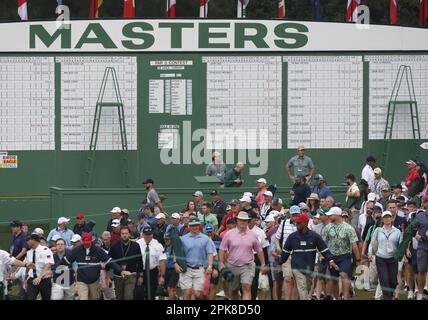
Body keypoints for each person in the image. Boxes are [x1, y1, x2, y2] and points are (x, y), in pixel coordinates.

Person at [279, 214, 337, 300]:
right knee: (302, 287)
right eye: (296, 223)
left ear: (306, 223)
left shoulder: (315, 236)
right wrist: (279, 262)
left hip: (309, 268)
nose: (297, 225)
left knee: (306, 288)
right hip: (297, 268)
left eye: (299, 223)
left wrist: (331, 260)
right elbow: (285, 252)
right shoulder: (292, 237)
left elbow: (324, 249)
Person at [219, 211, 268, 300]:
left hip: (248, 265)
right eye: (241, 220)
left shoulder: (253, 235)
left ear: (248, 222)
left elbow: (259, 250)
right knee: (234, 290)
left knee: (246, 288)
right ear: (237, 221)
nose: (243, 222)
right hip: (232, 265)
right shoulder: (229, 234)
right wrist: (221, 263)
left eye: (245, 220)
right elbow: (222, 249)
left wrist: (263, 263)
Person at [61, 233, 126, 300]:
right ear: (81, 241)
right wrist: (55, 268)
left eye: (88, 242)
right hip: (81, 281)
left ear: (91, 241)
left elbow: (109, 260)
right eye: (85, 242)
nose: (86, 244)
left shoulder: (98, 250)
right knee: (83, 298)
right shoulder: (76, 250)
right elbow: (65, 261)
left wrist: (120, 270)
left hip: (94, 281)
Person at [322, 207, 361, 300]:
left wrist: (358, 259)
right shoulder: (327, 228)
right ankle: (337, 297)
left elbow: (354, 245)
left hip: (345, 256)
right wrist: (323, 256)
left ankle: (346, 297)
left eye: (331, 215)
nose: (329, 216)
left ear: (337, 215)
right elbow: (323, 243)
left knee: (344, 275)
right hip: (332, 257)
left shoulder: (348, 228)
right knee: (334, 280)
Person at [176, 217, 216, 300]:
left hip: (200, 269)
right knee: (188, 292)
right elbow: (177, 252)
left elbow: (210, 253)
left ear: (199, 226)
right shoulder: (184, 238)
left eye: (196, 225)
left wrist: (210, 265)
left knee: (198, 294)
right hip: (186, 268)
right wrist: (175, 264)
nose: (194, 227)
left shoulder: (206, 239)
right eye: (192, 225)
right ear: (189, 226)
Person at [368, 211, 402, 300]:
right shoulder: (378, 230)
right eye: (385, 217)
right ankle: (388, 298)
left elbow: (401, 244)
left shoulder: (397, 231)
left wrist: (402, 255)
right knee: (384, 279)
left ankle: (389, 295)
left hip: (393, 258)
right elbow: (372, 242)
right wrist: (370, 253)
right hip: (381, 258)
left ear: (392, 219)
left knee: (393, 281)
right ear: (382, 220)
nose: (387, 219)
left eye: (389, 217)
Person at [397, 209, 428, 300]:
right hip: (416, 250)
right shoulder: (412, 227)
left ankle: (419, 290)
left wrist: (422, 237)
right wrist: (405, 250)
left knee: (420, 271)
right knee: (415, 270)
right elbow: (408, 235)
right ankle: (415, 291)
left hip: (420, 249)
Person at [109, 226, 143, 300]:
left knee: (128, 296)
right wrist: (108, 276)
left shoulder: (136, 246)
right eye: (122, 233)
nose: (124, 235)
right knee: (119, 297)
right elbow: (109, 260)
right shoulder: (114, 246)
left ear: (130, 234)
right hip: (118, 276)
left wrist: (141, 275)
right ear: (120, 235)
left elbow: (139, 261)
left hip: (131, 275)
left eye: (126, 233)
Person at [274, 205, 300, 300]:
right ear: (290, 215)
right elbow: (277, 238)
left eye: (297, 215)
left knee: (296, 279)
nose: (295, 217)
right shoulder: (284, 223)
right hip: (287, 254)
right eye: (294, 215)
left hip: (299, 255)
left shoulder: (303, 224)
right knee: (288, 278)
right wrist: (277, 246)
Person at [136, 226, 166, 300]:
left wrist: (162, 276)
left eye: (150, 234)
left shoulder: (157, 245)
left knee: (151, 294)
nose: (148, 236)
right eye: (146, 234)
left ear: (152, 234)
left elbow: (162, 261)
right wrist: (139, 274)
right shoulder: (137, 244)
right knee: (139, 293)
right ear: (142, 234)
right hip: (140, 271)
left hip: (152, 272)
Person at [25, 233, 54, 300]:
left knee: (46, 298)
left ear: (34, 240)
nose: (27, 242)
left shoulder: (45, 250)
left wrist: (39, 277)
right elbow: (28, 267)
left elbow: (48, 265)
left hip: (44, 279)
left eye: (28, 240)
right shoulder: (29, 252)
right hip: (32, 279)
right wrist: (26, 278)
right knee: (30, 298)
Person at [204, 224, 222, 300]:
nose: (209, 233)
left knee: (212, 286)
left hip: (215, 264)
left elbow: (219, 254)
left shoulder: (219, 239)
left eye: (211, 231)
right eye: (208, 232)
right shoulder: (203, 239)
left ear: (214, 231)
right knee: (205, 287)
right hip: (204, 265)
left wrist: (215, 268)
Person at [163, 233, 179, 300]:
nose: (166, 241)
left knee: (170, 288)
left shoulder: (176, 247)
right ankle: (176, 298)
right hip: (166, 269)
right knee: (167, 289)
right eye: (165, 239)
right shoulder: (165, 247)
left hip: (173, 270)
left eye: (167, 239)